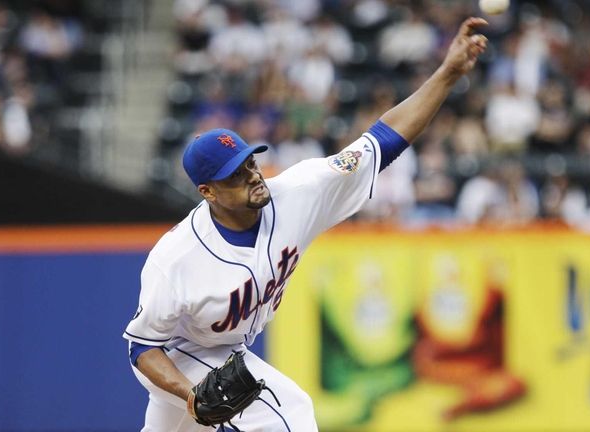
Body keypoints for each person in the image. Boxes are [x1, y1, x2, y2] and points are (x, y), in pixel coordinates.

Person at [123, 17, 489, 432]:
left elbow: (381, 142)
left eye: (250, 163)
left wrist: (448, 73)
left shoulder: (299, 192)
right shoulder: (176, 258)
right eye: (235, 175)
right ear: (208, 192)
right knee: (291, 414)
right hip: (178, 354)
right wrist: (190, 395)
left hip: (225, 349)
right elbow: (143, 347)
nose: (252, 176)